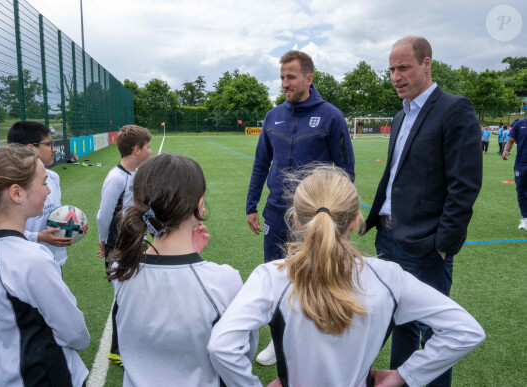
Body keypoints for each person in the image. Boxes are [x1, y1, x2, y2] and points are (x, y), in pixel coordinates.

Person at [208, 166, 485, 387]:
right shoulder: (389, 277)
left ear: (295, 220)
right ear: (355, 220)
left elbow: (222, 347)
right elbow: (466, 331)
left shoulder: (272, 276)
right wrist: (404, 376)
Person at [362, 36, 482, 387]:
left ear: (426, 64)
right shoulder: (402, 116)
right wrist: (374, 220)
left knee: (434, 334)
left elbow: (465, 185)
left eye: (403, 67)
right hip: (389, 238)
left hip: (426, 245)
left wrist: (443, 243)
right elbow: (394, 176)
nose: (396, 76)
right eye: (391, 70)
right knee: (401, 322)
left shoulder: (455, 108)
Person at [245, 49, 355, 365]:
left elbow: (345, 170)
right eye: (281, 77)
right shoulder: (273, 116)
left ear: (309, 78)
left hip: (315, 216)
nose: (284, 83)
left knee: (317, 277)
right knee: (278, 278)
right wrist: (252, 204)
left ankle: (316, 340)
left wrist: (344, 213)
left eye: (290, 77)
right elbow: (261, 163)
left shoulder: (331, 116)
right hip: (276, 213)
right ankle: (279, 341)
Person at [0, 146, 89, 386]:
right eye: (43, 182)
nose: (49, 190)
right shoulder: (33, 260)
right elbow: (75, 333)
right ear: (17, 193)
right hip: (45, 378)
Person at [107, 153, 254, 386]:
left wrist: (189, 253)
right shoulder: (225, 280)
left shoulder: (121, 267)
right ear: (200, 205)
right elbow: (241, 351)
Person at [96, 125, 152, 367]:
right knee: (123, 297)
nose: (151, 151)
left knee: (137, 293)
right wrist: (104, 241)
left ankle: (132, 342)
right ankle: (116, 350)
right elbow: (103, 215)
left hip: (134, 242)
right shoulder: (116, 178)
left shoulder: (135, 174)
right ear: (136, 150)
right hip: (118, 245)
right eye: (148, 147)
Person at [7, 121, 73, 267]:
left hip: (54, 257)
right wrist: (38, 237)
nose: (54, 149)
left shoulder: (53, 177)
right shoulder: (9, 185)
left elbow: (56, 213)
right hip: (25, 263)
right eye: (49, 144)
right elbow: (2, 232)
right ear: (31, 148)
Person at [502, 118, 527, 230]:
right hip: (521, 163)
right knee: (521, 191)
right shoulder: (520, 124)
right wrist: (506, 150)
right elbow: (511, 141)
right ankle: (526, 218)